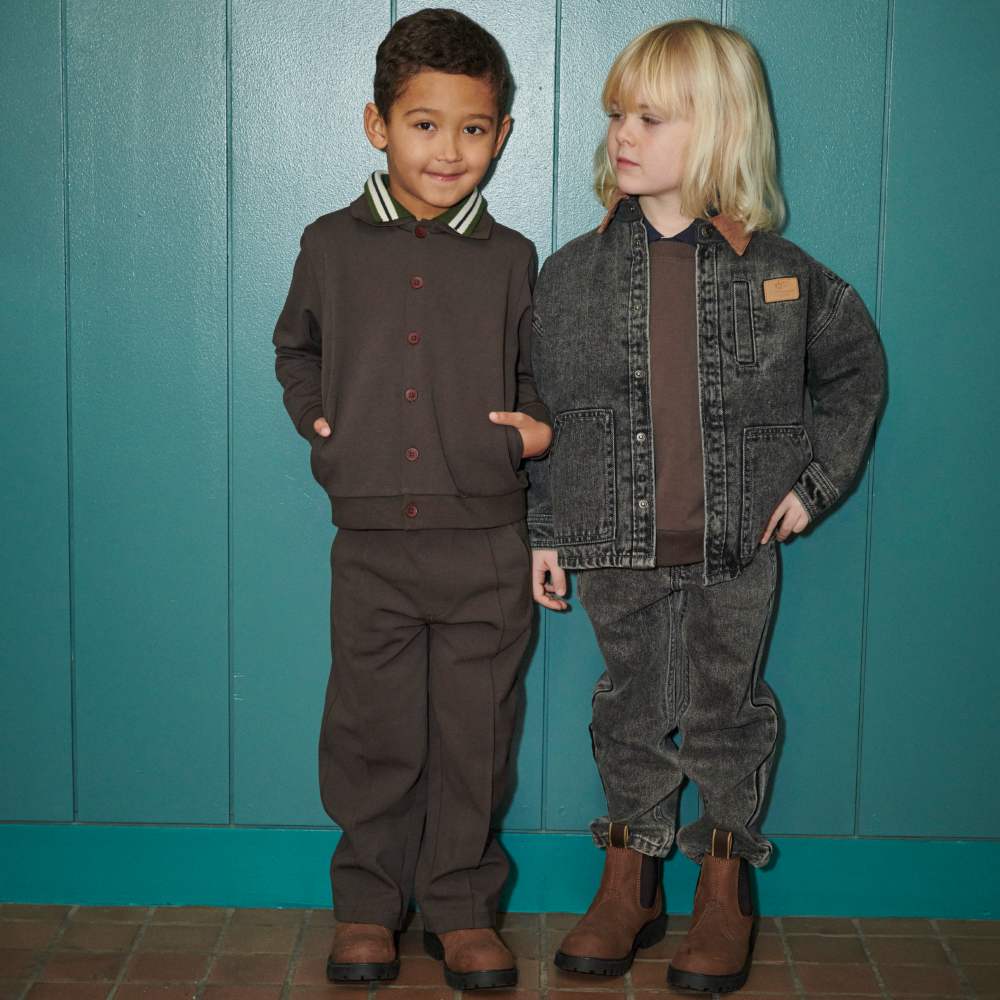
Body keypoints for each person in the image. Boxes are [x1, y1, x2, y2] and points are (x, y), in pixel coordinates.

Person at [527, 19, 885, 994]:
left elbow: (852, 374)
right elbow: (542, 414)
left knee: (729, 713)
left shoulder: (781, 273)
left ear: (719, 128)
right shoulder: (569, 276)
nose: (621, 134)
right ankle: (628, 883)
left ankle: (721, 890)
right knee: (628, 711)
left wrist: (814, 488)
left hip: (735, 549)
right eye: (614, 114)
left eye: (650, 115)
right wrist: (546, 534)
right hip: (615, 546)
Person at [272, 8, 550, 991]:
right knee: (373, 732)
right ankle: (365, 908)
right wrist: (317, 419)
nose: (448, 149)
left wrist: (538, 428)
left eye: (472, 128)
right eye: (424, 124)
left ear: (503, 135)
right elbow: (295, 346)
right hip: (372, 544)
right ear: (376, 124)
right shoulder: (329, 242)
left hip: (486, 545)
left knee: (474, 739)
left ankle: (463, 910)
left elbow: (541, 377)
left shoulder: (513, 259)